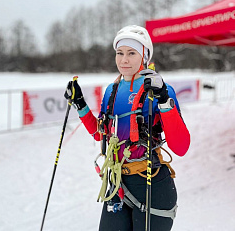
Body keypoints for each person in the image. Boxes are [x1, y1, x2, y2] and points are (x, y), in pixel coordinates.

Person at [65, 25, 190, 231]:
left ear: (145, 55)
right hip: (117, 185)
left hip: (152, 185)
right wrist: (80, 104)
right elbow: (101, 134)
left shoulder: (160, 90)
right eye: (120, 53)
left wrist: (165, 101)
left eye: (132, 53)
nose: (124, 60)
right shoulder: (112, 90)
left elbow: (181, 146)